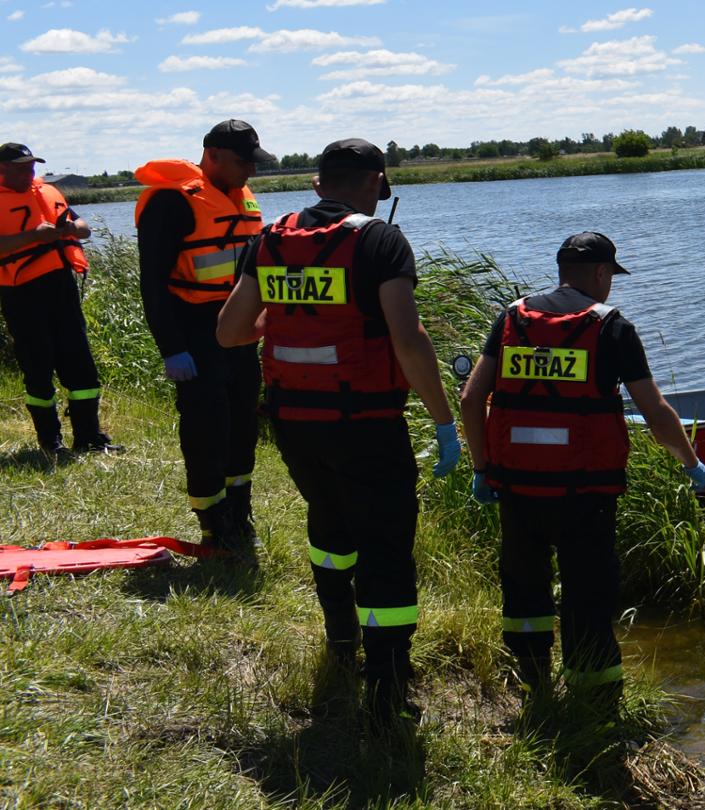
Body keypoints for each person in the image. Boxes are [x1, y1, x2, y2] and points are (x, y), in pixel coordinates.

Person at [216, 137, 460, 731]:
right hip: (367, 423)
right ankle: (387, 684)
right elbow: (408, 339)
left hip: (295, 422)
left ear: (319, 182)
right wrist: (444, 420)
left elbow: (229, 332)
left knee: (329, 526)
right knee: (385, 546)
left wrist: (288, 320)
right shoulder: (379, 240)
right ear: (377, 181)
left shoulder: (268, 239)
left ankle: (340, 639)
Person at [460, 231, 705, 704]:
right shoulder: (612, 327)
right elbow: (656, 413)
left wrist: (480, 468)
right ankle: (593, 703)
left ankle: (533, 683)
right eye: (610, 276)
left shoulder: (512, 317)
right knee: (587, 591)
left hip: (516, 484)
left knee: (523, 581)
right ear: (600, 274)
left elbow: (472, 398)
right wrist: (691, 461)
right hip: (586, 492)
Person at [136, 120, 269, 548]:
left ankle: (238, 509)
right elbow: (152, 283)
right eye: (242, 162)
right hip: (195, 330)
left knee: (242, 424)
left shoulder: (240, 197)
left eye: (253, 161)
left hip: (241, 329)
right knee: (206, 428)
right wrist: (172, 349)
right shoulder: (171, 203)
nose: (250, 171)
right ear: (211, 155)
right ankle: (212, 520)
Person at [0, 143, 117, 456]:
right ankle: (50, 442)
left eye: (32, 166)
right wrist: (34, 236)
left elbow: (84, 227)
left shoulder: (49, 192)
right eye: (22, 167)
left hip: (61, 287)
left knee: (81, 365)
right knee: (37, 366)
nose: (30, 172)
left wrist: (72, 229)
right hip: (21, 292)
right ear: (2, 169)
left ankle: (89, 437)